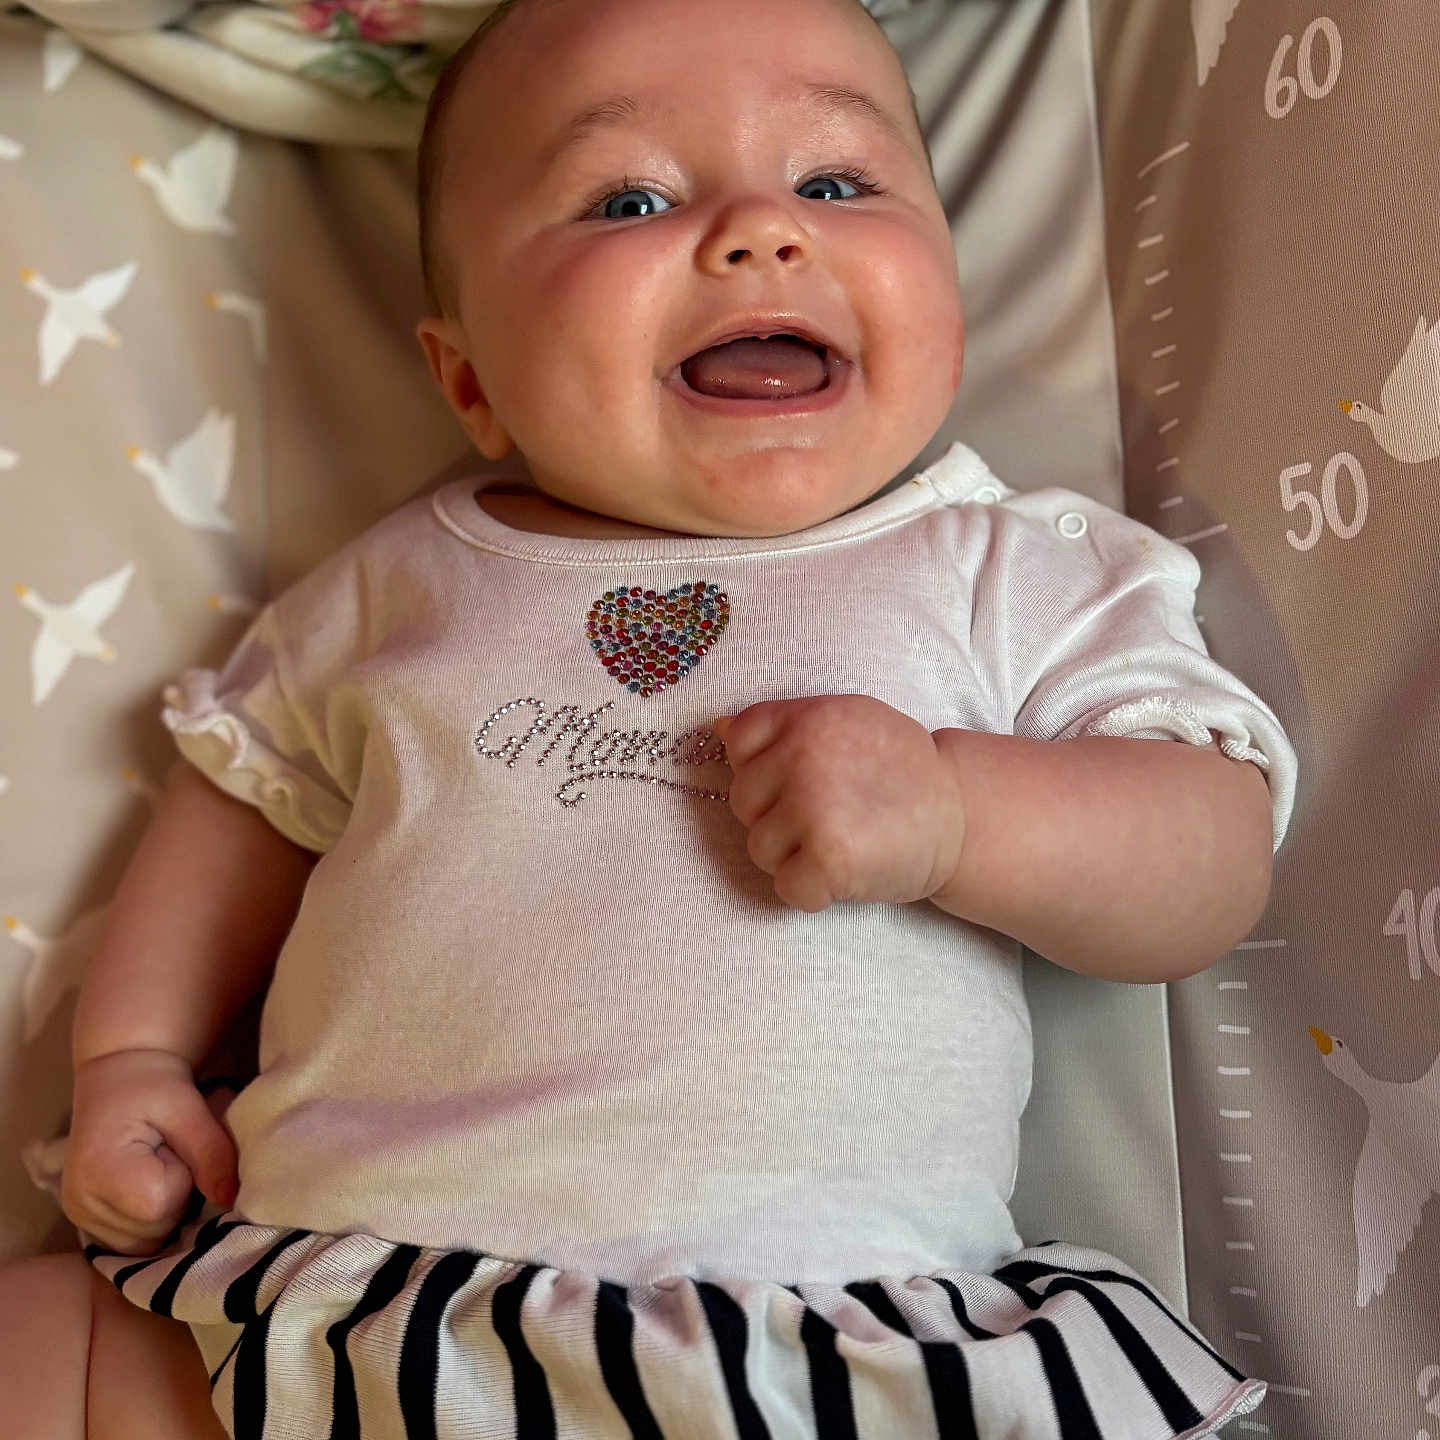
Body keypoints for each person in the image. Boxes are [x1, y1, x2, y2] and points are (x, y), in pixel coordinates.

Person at [1, 0, 1299, 1434]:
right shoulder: (400, 585)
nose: (760, 232)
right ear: (469, 380)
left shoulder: (1006, 568)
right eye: (630, 198)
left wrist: (957, 814)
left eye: (835, 183)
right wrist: (129, 1057)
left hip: (796, 1344)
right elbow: (245, 797)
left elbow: (1208, 859)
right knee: (45, 1332)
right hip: (345, 1305)